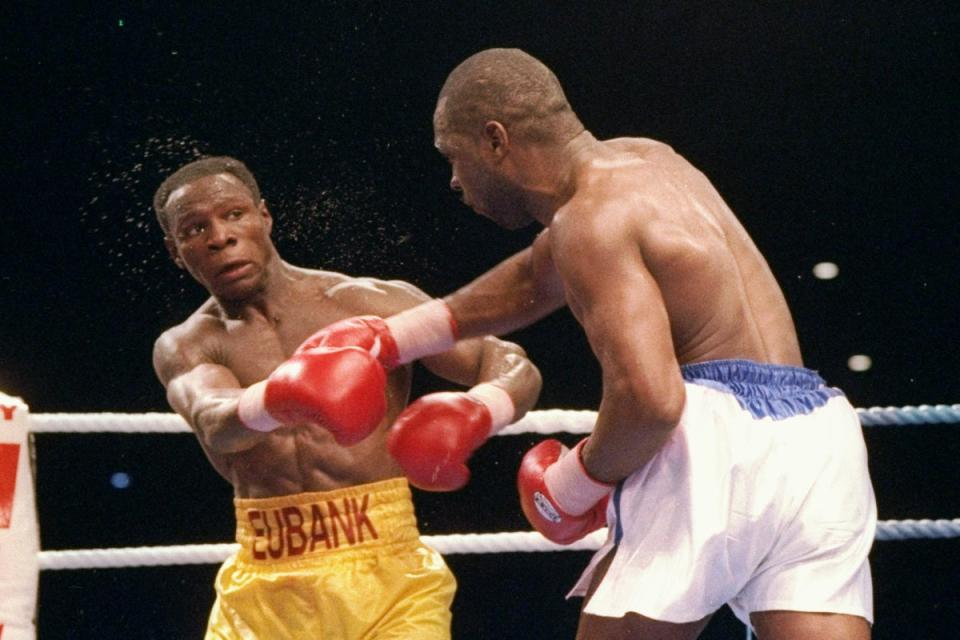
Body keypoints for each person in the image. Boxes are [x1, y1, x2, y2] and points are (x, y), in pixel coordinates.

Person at [299, 49, 877, 639]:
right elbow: (530, 278)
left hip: (714, 437)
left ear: (496, 141)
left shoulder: (586, 222)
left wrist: (570, 485)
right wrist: (389, 339)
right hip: (819, 434)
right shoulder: (653, 159)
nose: (452, 179)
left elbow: (650, 400)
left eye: (454, 155)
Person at [150, 155, 542, 640]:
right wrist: (281, 397)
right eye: (194, 229)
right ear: (175, 249)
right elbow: (215, 421)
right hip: (263, 591)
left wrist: (482, 410)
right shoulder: (187, 344)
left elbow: (506, 361)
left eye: (234, 214)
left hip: (391, 577)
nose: (219, 237)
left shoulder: (368, 304)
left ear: (264, 216)